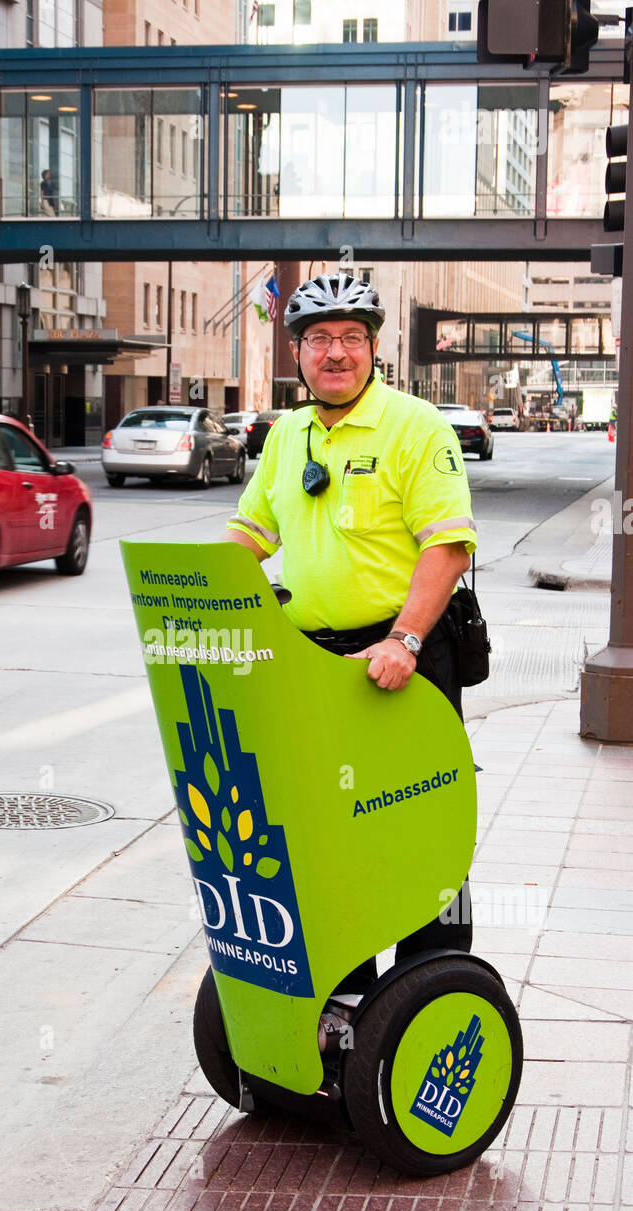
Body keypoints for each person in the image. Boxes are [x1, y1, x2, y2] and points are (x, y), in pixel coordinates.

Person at [224, 272, 477, 1041]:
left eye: (352, 338)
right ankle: (344, 1002)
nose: (336, 354)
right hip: (313, 662)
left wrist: (404, 638)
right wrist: (204, 600)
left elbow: (448, 544)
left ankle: (430, 995)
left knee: (418, 827)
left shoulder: (415, 427)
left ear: (374, 348)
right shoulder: (286, 437)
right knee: (327, 831)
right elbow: (251, 535)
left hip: (405, 657)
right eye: (319, 339)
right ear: (296, 351)